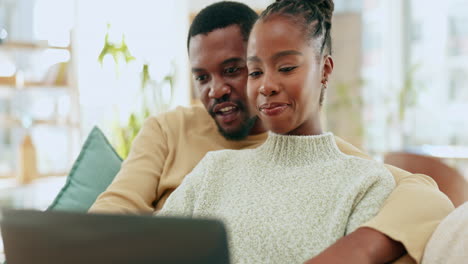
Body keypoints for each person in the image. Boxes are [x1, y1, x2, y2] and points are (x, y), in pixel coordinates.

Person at [89, 1, 453, 263]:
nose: (215, 90)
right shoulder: (192, 149)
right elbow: (124, 216)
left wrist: (365, 245)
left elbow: (420, 192)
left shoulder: (356, 174)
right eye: (202, 76)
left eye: (233, 70)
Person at [158, 1, 398, 263]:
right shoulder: (213, 170)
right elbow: (147, 248)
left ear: (325, 70)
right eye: (255, 72)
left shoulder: (365, 183)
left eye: (286, 68)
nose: (266, 86)